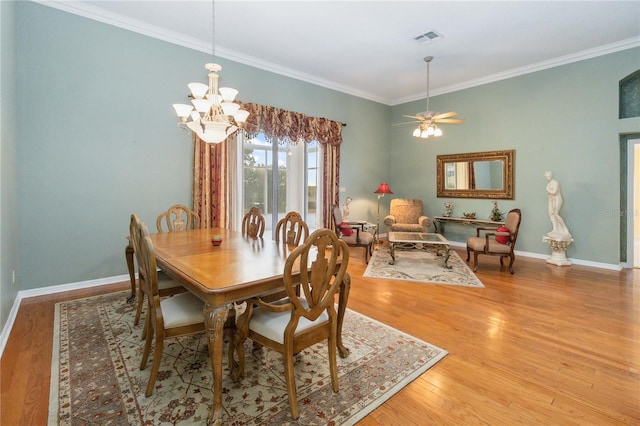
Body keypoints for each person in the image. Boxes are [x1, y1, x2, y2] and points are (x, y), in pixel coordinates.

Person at [545, 171, 571, 239]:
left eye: (549, 176)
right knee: (551, 214)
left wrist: (547, 189)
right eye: (546, 176)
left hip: (557, 199)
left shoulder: (555, 183)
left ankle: (565, 229)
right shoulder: (549, 183)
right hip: (552, 200)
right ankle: (555, 229)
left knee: (556, 214)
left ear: (551, 176)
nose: (548, 178)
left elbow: (554, 192)